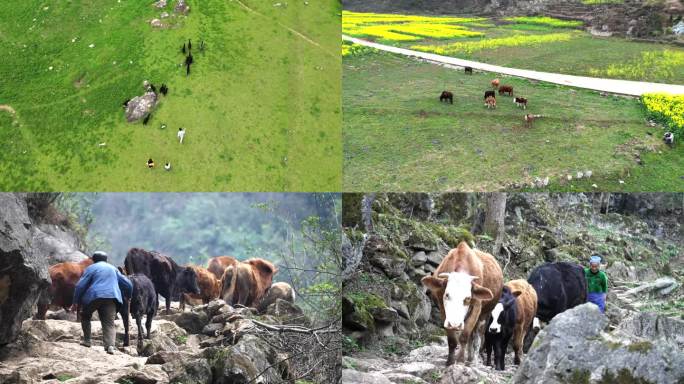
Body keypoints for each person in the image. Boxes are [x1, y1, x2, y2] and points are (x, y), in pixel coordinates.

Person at [72, 252, 133, 354]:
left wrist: (75, 302)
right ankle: (110, 346)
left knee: (86, 316)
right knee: (109, 323)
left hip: (94, 297)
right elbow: (128, 284)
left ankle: (87, 340)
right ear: (106, 259)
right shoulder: (113, 269)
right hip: (112, 297)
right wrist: (129, 295)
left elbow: (80, 286)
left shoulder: (91, 268)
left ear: (93, 260)